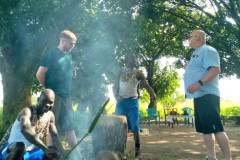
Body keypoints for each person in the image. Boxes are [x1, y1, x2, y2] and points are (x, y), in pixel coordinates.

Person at [184, 30, 232, 160]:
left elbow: (215, 70)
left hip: (208, 95)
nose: (188, 39)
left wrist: (198, 83)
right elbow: (200, 68)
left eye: (190, 37)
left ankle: (228, 158)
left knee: (216, 128)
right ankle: (211, 157)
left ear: (198, 38)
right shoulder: (196, 53)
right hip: (199, 96)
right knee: (206, 129)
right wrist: (188, 68)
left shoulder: (208, 50)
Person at [36, 30, 78, 150]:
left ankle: (76, 154)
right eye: (71, 43)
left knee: (70, 126)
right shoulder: (51, 54)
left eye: (74, 44)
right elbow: (40, 74)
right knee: (51, 126)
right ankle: (51, 153)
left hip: (67, 96)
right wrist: (50, 92)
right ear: (63, 41)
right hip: (54, 98)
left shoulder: (69, 56)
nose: (73, 46)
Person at [0, 89, 64, 160]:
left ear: (53, 104)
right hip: (11, 150)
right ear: (38, 99)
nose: (47, 105)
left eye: (50, 102)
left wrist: (62, 153)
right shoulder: (27, 111)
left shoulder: (50, 116)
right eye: (44, 101)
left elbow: (55, 136)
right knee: (20, 147)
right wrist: (44, 148)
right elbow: (25, 129)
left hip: (31, 153)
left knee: (54, 153)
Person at [113, 54, 156, 159]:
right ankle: (120, 152)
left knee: (136, 128)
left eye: (134, 59)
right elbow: (115, 85)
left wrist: (152, 93)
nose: (133, 61)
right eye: (131, 59)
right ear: (126, 60)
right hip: (121, 103)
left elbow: (146, 85)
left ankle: (138, 152)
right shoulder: (120, 71)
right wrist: (116, 97)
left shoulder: (139, 74)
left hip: (133, 103)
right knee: (120, 128)